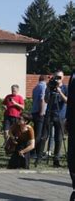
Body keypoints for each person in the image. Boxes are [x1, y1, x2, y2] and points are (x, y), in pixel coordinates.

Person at [42, 70, 68, 167]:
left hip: (60, 115)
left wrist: (60, 91)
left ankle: (56, 159)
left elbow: (67, 101)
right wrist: (48, 89)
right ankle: (40, 157)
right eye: (56, 77)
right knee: (44, 136)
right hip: (50, 114)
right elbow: (46, 100)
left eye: (59, 77)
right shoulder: (50, 86)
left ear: (63, 78)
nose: (57, 79)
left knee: (58, 138)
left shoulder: (65, 87)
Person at [31, 75, 48, 165]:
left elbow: (34, 99)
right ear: (45, 79)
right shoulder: (44, 86)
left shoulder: (35, 87)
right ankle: (32, 151)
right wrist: (42, 111)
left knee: (36, 133)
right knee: (39, 134)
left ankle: (35, 152)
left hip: (34, 111)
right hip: (40, 112)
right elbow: (42, 99)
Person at [65, 70, 75, 200]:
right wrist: (67, 118)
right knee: (72, 157)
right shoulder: (73, 73)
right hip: (73, 121)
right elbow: (71, 99)